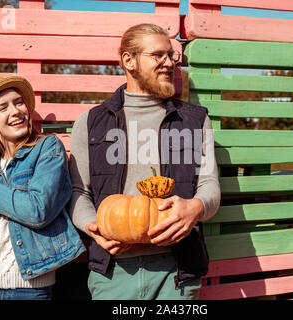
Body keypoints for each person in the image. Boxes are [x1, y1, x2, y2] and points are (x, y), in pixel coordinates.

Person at [69, 23, 221, 300]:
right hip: (113, 272)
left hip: (177, 271)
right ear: (129, 60)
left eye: (172, 57)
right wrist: (95, 227)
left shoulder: (195, 120)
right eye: (158, 56)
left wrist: (195, 207)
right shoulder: (90, 123)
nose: (169, 64)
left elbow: (209, 183)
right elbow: (79, 192)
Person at [0, 76, 85, 300]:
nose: (16, 111)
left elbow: (38, 210)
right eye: (3, 107)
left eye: (19, 102)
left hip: (29, 289)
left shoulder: (47, 149)